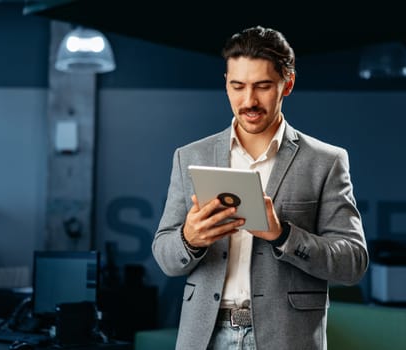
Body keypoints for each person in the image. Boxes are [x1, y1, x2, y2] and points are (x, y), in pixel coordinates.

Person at [152, 25, 368, 350]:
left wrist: (283, 235)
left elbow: (353, 262)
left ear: (288, 84)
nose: (249, 100)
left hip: (287, 338)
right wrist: (189, 239)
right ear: (225, 83)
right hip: (206, 337)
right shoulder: (189, 156)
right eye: (237, 86)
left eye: (263, 86)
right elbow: (165, 256)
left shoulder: (327, 161)